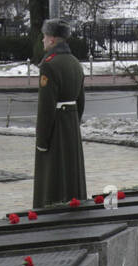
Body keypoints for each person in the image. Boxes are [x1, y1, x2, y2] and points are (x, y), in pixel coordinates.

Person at [32, 18, 86, 208]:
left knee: (52, 178)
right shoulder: (75, 63)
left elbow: (45, 107)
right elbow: (81, 101)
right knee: (71, 175)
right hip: (71, 125)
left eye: (45, 36)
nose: (43, 40)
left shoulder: (49, 65)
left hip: (55, 129)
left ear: (53, 39)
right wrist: (73, 123)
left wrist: (42, 141)